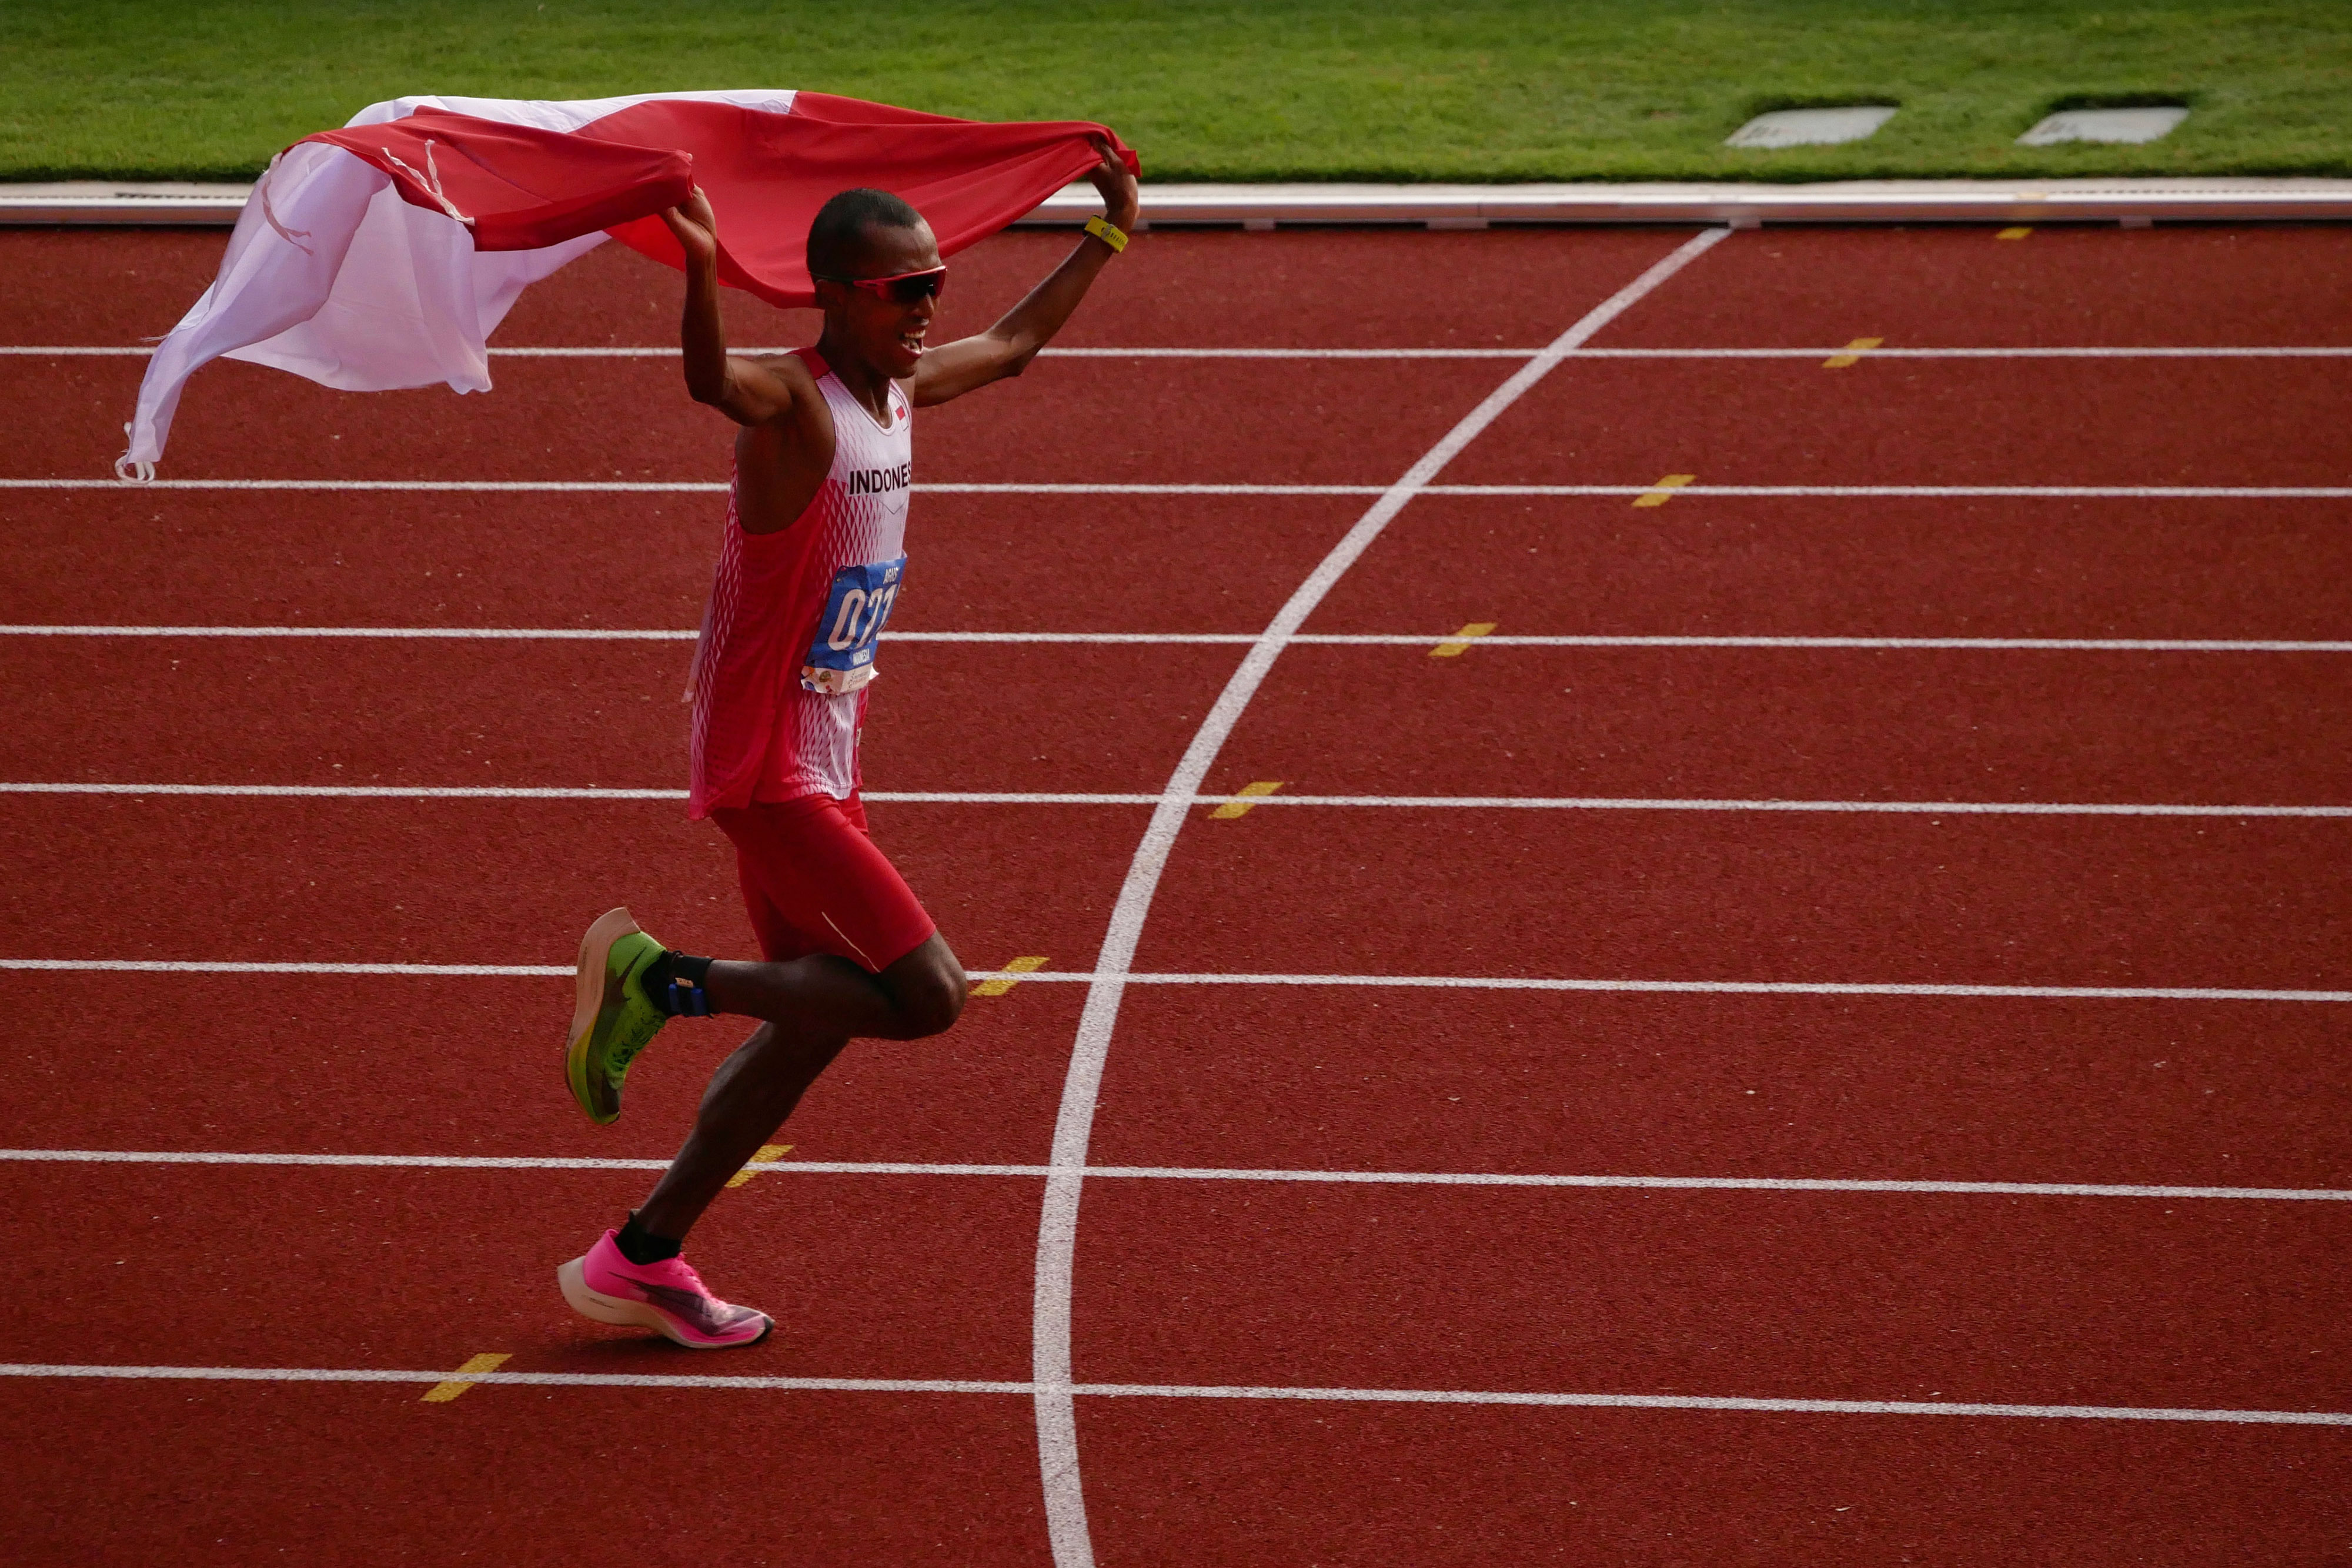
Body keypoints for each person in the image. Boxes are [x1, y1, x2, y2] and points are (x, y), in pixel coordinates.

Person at [555, 142, 1140, 1349]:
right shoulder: (793, 402)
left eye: (936, 283)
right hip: (768, 761)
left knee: (818, 1019)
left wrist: (1108, 234)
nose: (932, 306)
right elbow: (712, 383)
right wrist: (702, 270)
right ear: (835, 295)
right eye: (904, 290)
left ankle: (643, 1253)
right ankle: (661, 979)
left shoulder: (897, 394)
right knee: (928, 996)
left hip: (826, 750)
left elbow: (1018, 348)